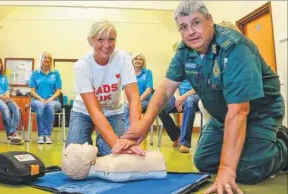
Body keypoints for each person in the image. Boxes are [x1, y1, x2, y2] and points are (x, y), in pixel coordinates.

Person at [113, 1, 288, 193]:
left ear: (210, 20)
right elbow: (165, 88)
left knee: (247, 171)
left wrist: (227, 169)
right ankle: (252, 146)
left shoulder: (235, 48)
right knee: (203, 161)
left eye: (196, 22)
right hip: (223, 116)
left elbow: (239, 110)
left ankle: (284, 143)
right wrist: (144, 123)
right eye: (184, 27)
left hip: (260, 113)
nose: (190, 32)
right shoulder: (184, 50)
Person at [65, 20, 144, 156]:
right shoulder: (82, 65)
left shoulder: (123, 58)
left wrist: (132, 137)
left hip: (113, 112)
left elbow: (134, 98)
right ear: (91, 41)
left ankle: (103, 145)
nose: (106, 45)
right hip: (84, 112)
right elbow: (94, 109)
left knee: (114, 155)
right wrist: (118, 145)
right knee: (75, 156)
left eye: (111, 39)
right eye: (100, 40)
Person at [62, 143, 166, 182]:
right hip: (158, 162)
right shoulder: (112, 168)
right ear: (85, 161)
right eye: (82, 146)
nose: (85, 143)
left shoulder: (106, 165)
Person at [158, 79, 199, 153]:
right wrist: (178, 99)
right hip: (179, 96)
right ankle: (177, 136)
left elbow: (199, 87)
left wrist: (183, 97)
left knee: (189, 103)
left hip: (194, 95)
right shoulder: (180, 68)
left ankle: (185, 143)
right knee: (160, 108)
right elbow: (175, 85)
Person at [29, 52, 62, 144]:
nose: (47, 59)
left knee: (49, 106)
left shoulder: (56, 73)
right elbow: (32, 91)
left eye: (49, 58)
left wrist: (50, 100)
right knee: (41, 106)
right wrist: (41, 99)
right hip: (37, 100)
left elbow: (58, 91)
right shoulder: (35, 73)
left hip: (53, 100)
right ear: (41, 59)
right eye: (45, 57)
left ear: (51, 61)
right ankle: (41, 135)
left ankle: (47, 135)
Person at [123, 53, 153, 129]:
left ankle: (127, 133)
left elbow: (149, 89)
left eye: (140, 59)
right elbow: (125, 89)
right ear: (132, 61)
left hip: (144, 101)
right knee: (124, 108)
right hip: (131, 100)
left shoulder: (147, 73)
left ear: (143, 62)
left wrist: (137, 101)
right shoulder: (128, 73)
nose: (138, 61)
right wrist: (127, 101)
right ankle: (127, 132)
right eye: (136, 59)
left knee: (133, 107)